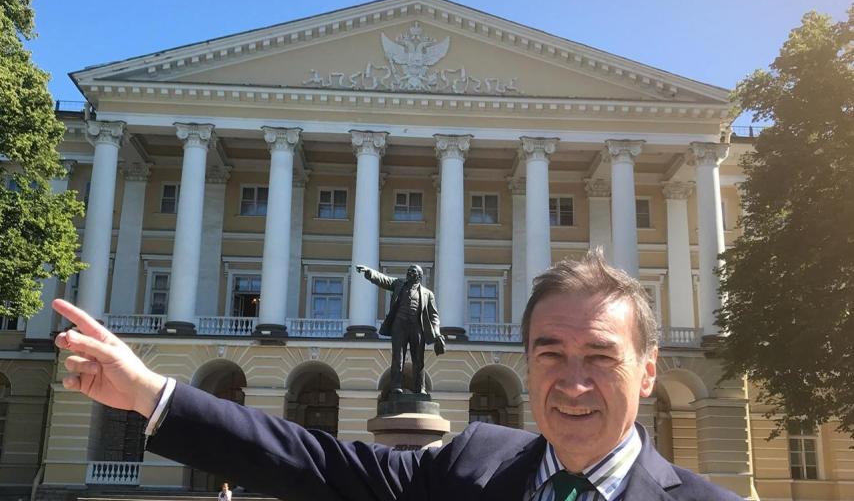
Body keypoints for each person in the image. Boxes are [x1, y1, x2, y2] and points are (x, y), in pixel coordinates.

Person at [53, 250, 741, 500]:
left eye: (601, 356)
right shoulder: (475, 463)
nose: (572, 382)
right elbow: (313, 463)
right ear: (529, 363)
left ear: (647, 372)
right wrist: (147, 392)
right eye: (550, 353)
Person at [354, 263, 444, 394]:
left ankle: (420, 388)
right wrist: (370, 272)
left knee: (418, 359)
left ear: (419, 276)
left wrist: (437, 333)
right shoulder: (398, 284)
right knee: (398, 357)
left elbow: (434, 316)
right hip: (399, 325)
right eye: (408, 271)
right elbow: (383, 279)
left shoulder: (428, 294)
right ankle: (396, 386)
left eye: (412, 271)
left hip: (417, 327)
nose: (409, 273)